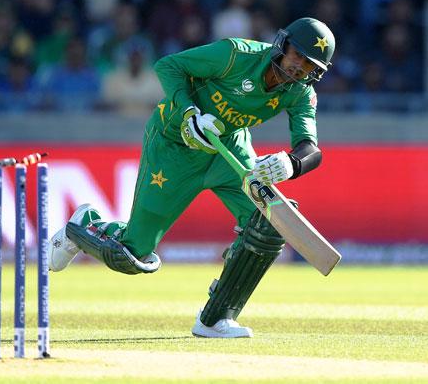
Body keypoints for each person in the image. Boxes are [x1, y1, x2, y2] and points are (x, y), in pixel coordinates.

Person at [48, 17, 335, 338]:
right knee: (130, 255)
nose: (299, 68)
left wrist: (291, 164)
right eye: (298, 55)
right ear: (283, 45)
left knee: (267, 223)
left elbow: (311, 149)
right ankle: (85, 224)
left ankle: (215, 318)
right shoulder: (234, 54)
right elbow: (168, 66)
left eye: (310, 65)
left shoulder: (300, 93)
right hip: (175, 146)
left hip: (229, 149)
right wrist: (189, 112)